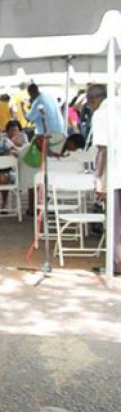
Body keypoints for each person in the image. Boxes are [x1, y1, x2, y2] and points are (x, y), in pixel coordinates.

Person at [87, 84, 121, 275]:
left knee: (115, 223)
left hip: (116, 173)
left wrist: (98, 177)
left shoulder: (101, 113)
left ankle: (116, 264)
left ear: (93, 100)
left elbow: (102, 148)